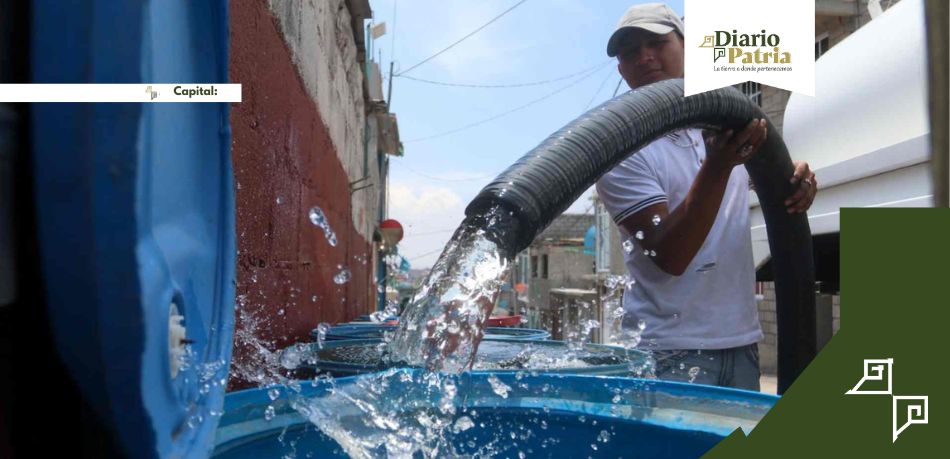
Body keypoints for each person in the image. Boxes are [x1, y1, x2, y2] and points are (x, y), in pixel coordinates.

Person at [595, 3, 818, 391]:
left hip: (743, 344)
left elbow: (764, 179)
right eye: (630, 51)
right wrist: (716, 168)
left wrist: (794, 179)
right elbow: (670, 254)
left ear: (687, 48)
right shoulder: (620, 150)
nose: (644, 56)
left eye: (657, 43)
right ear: (621, 69)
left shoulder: (726, 124)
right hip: (666, 353)